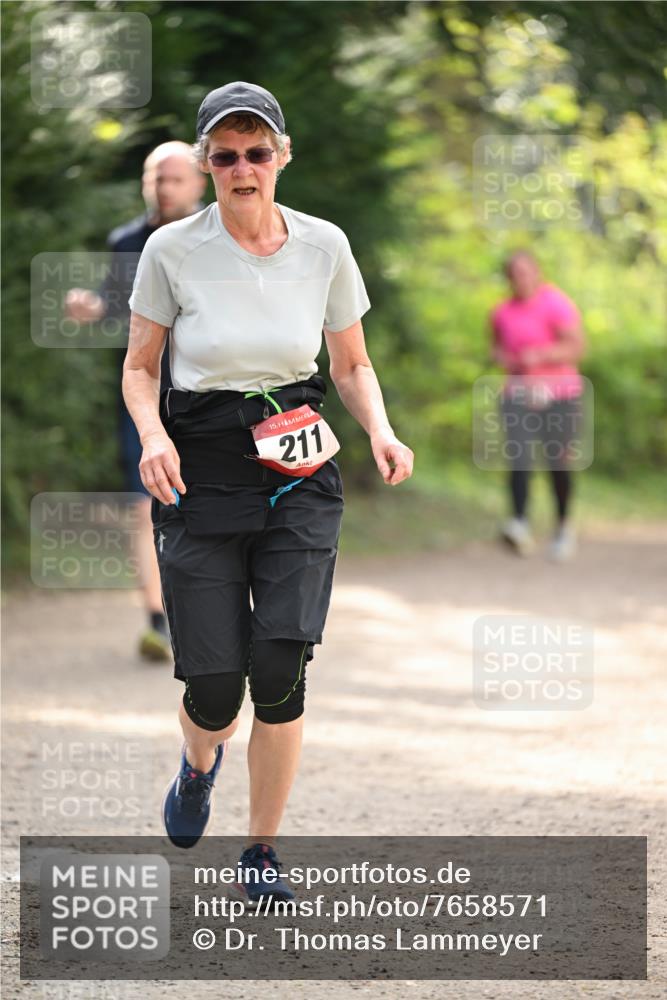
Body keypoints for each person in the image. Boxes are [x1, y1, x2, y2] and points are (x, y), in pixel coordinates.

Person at [122, 81, 413, 901]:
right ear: (206, 163)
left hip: (298, 470)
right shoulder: (171, 250)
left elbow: (350, 363)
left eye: (256, 152)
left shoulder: (323, 245)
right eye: (225, 155)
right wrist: (151, 437)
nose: (241, 168)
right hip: (200, 469)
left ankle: (259, 853)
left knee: (280, 667)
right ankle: (196, 762)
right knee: (213, 689)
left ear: (281, 156)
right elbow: (141, 368)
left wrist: (381, 431)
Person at [66, 143, 207, 659]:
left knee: (206, 497)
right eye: (155, 178)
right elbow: (118, 310)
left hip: (207, 392)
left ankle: (208, 612)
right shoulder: (126, 241)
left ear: (198, 183)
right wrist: (92, 307)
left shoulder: (215, 238)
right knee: (145, 502)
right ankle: (158, 621)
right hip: (145, 394)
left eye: (173, 179)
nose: (162, 187)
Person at [490, 250, 586, 561]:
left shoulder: (556, 303)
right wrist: (502, 357)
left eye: (526, 271)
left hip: (559, 394)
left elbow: (577, 346)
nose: (521, 278)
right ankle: (518, 523)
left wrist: (542, 355)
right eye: (515, 273)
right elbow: (496, 346)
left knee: (557, 461)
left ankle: (562, 527)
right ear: (509, 277)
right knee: (519, 455)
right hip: (518, 392)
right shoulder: (501, 311)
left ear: (537, 271)